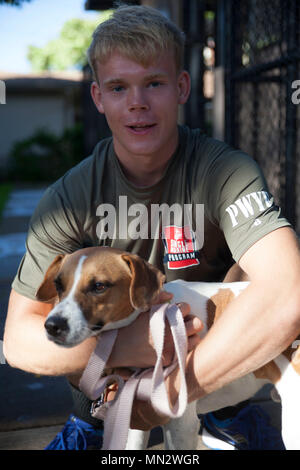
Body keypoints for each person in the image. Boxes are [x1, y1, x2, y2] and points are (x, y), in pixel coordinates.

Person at [4, 4, 300, 451]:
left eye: (154, 83)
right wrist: (129, 348)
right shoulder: (67, 199)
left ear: (182, 87)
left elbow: (290, 291)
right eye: (119, 87)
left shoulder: (225, 173)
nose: (137, 103)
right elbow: (19, 341)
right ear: (98, 97)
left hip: (220, 389)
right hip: (104, 403)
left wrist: (173, 393)